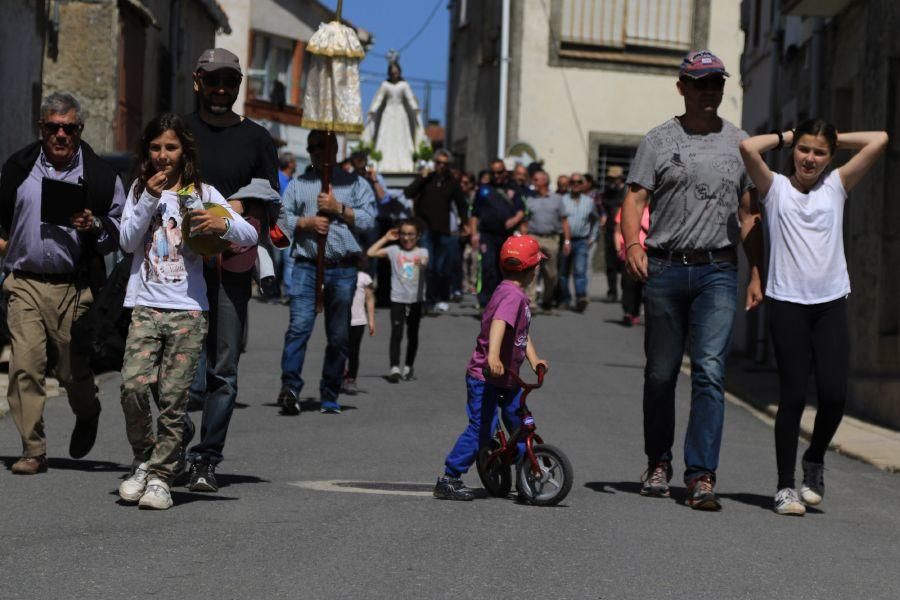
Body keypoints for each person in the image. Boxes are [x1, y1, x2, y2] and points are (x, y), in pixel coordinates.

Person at [621, 50, 764, 511]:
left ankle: (701, 475)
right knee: (661, 375)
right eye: (700, 83)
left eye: (716, 84)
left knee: (709, 371)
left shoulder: (739, 143)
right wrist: (633, 246)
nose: (709, 92)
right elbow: (634, 201)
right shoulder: (659, 140)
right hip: (663, 268)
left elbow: (747, 215)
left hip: (717, 272)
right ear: (681, 86)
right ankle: (658, 463)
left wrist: (756, 270)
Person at [739, 121, 888, 515]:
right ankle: (785, 486)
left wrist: (836, 140)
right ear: (793, 151)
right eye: (804, 150)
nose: (810, 158)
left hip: (830, 303)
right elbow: (749, 149)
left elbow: (880, 139)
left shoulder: (836, 185)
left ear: (830, 156)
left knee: (835, 395)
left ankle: (815, 458)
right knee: (791, 397)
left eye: (819, 152)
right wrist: (788, 135)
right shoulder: (774, 188)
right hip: (787, 302)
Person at [117, 113, 257, 509]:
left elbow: (249, 234)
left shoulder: (201, 193)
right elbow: (127, 241)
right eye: (156, 147)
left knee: (175, 397)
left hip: (188, 311)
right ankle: (146, 458)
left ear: (184, 153)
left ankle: (161, 477)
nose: (163, 155)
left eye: (171, 148)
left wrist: (220, 222)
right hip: (145, 305)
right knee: (132, 387)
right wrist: (147, 197)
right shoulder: (139, 190)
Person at [0, 91, 124, 475]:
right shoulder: (18, 168)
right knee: (26, 365)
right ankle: (33, 449)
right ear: (41, 129)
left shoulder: (101, 176)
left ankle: (87, 412)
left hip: (75, 286)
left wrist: (95, 225)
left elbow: (121, 232)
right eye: (53, 127)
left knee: (72, 372)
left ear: (79, 130)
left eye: (68, 128)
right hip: (24, 284)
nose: (60, 135)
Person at [182, 48, 280, 490]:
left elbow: (272, 204)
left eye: (230, 82)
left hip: (232, 270)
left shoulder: (258, 139)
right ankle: (172, 446)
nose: (222, 89)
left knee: (223, 367)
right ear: (197, 81)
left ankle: (206, 459)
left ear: (239, 86)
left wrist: (243, 204)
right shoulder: (178, 132)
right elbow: (154, 180)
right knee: (177, 367)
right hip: (179, 268)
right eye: (214, 80)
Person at [434, 235, 549, 500]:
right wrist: (493, 357)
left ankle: (525, 474)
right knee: (482, 428)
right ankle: (449, 478)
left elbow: (520, 332)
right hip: (485, 377)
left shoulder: (511, 292)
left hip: (507, 379)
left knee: (521, 423)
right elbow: (499, 323)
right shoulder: (512, 296)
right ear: (531, 270)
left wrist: (534, 359)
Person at [276, 129, 377, 415]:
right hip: (307, 265)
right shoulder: (299, 183)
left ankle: (330, 390)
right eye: (314, 147)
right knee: (299, 327)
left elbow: (369, 219)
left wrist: (339, 208)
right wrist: (306, 222)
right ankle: (290, 387)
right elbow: (282, 218)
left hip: (343, 268)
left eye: (325, 145)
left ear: (335, 147)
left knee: (338, 335)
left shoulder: (354, 183)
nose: (320, 151)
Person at [403, 149, 467, 312]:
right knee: (428, 266)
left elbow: (461, 204)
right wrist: (422, 177)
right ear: (434, 163)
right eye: (438, 163)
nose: (441, 166)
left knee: (441, 268)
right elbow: (408, 193)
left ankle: (439, 296)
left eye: (445, 164)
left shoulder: (452, 182)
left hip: (443, 230)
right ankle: (428, 301)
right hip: (426, 229)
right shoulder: (427, 179)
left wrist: (464, 223)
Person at [367, 219, 429, 382]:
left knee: (412, 334)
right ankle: (394, 367)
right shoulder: (394, 250)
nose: (407, 238)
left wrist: (421, 264)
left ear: (418, 236)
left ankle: (408, 366)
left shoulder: (422, 253)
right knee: (397, 333)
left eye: (411, 234)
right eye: (403, 234)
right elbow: (370, 253)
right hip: (398, 298)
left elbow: (424, 264)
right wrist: (386, 238)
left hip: (415, 300)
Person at [471, 158, 526, 308]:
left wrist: (514, 220)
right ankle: (486, 302)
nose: (496, 175)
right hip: (487, 235)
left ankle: (503, 302)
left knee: (505, 269)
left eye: (499, 172)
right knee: (488, 267)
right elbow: (474, 213)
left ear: (505, 172)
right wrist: (474, 234)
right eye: (493, 172)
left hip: (506, 236)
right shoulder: (483, 190)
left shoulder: (513, 189)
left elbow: (522, 210)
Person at [362, 60, 427, 173]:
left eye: (396, 72)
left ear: (399, 72)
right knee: (386, 136)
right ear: (389, 73)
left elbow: (410, 98)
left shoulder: (404, 85)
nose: (394, 74)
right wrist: (373, 109)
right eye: (392, 73)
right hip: (388, 113)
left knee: (401, 136)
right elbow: (379, 98)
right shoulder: (385, 85)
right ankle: (382, 164)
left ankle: (404, 164)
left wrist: (415, 108)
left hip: (401, 114)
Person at [523, 170, 571, 310]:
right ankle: (531, 302)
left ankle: (547, 299)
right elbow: (525, 221)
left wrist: (567, 241)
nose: (534, 182)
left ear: (545, 181)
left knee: (551, 273)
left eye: (536, 180)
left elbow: (564, 221)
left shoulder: (557, 199)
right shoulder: (530, 199)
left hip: (551, 239)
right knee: (532, 270)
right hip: (533, 237)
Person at [559, 172, 599, 312]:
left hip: (582, 241)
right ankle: (565, 299)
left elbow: (596, 220)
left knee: (580, 270)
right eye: (573, 182)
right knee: (563, 272)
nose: (576, 185)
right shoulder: (562, 200)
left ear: (583, 185)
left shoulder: (589, 201)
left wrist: (592, 237)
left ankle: (581, 297)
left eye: (578, 182)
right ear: (569, 185)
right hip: (564, 241)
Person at [342, 256, 376, 395]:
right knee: (339, 349)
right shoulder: (339, 276)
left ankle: (351, 379)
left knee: (353, 352)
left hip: (358, 321)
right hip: (341, 320)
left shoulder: (363, 277)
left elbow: (369, 299)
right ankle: (340, 375)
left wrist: (371, 321)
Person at [614, 204, 648, 326]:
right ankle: (627, 312)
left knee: (640, 285)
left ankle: (635, 312)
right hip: (628, 250)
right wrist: (618, 248)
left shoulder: (653, 209)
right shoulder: (625, 209)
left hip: (647, 252)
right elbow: (618, 230)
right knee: (628, 283)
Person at [602, 166, 627, 301]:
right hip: (610, 230)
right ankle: (612, 291)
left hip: (624, 231)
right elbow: (604, 207)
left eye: (614, 178)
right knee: (610, 264)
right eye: (610, 178)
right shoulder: (608, 192)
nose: (612, 181)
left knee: (624, 265)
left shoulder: (627, 191)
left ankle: (626, 293)